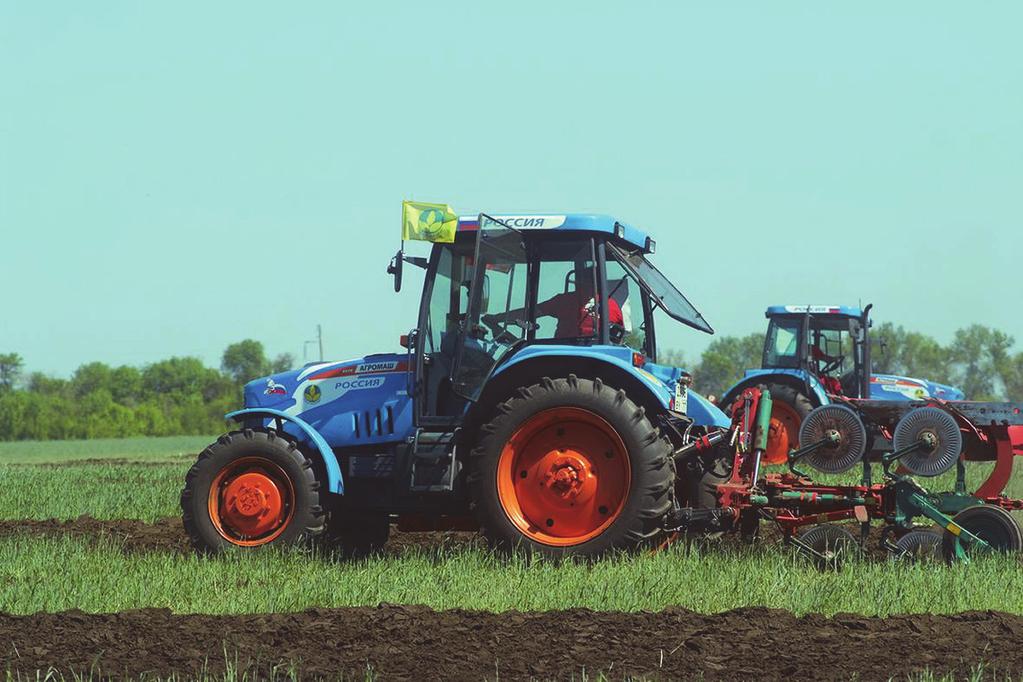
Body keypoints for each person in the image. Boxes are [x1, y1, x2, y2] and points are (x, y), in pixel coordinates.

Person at [484, 266, 623, 339]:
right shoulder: (612, 305)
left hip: (567, 353)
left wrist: (498, 318)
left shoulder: (567, 300)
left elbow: (530, 312)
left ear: (580, 282)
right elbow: (619, 336)